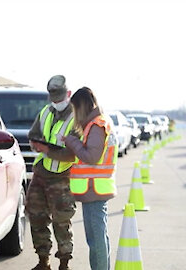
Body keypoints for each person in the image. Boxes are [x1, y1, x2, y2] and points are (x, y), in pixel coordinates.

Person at [62, 87, 118, 270]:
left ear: (83, 106)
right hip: (95, 189)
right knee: (98, 238)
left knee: (96, 240)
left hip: (94, 189)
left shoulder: (97, 125)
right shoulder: (98, 123)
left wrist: (72, 142)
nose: (75, 114)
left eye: (76, 109)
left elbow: (92, 157)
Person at [26, 75, 78, 270]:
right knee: (36, 216)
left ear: (68, 94)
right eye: (53, 99)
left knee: (61, 221)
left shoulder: (76, 118)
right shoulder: (46, 112)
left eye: (59, 98)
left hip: (62, 177)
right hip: (41, 174)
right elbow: (33, 135)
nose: (56, 103)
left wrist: (47, 150)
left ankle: (64, 264)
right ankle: (43, 261)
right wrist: (36, 144)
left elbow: (72, 155)